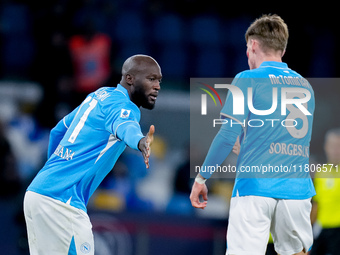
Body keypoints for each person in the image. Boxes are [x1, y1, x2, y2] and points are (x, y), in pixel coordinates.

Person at [190, 14, 315, 255]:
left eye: (248, 48)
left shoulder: (246, 79)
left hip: (255, 186)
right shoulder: (305, 86)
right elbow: (289, 136)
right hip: (297, 189)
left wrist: (201, 178)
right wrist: (247, 141)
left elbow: (227, 135)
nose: (247, 55)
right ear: (283, 49)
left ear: (254, 45)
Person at [24, 54, 162, 255]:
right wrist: (140, 141)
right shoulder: (124, 106)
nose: (157, 86)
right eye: (151, 79)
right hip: (63, 203)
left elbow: (57, 131)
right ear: (130, 78)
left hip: (38, 193)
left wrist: (53, 172)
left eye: (159, 80)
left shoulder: (99, 95)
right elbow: (125, 126)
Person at [310, 128, 340, 255]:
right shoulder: (320, 173)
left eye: (338, 146)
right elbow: (316, 204)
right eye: (332, 146)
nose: (335, 151)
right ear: (326, 147)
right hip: (322, 230)